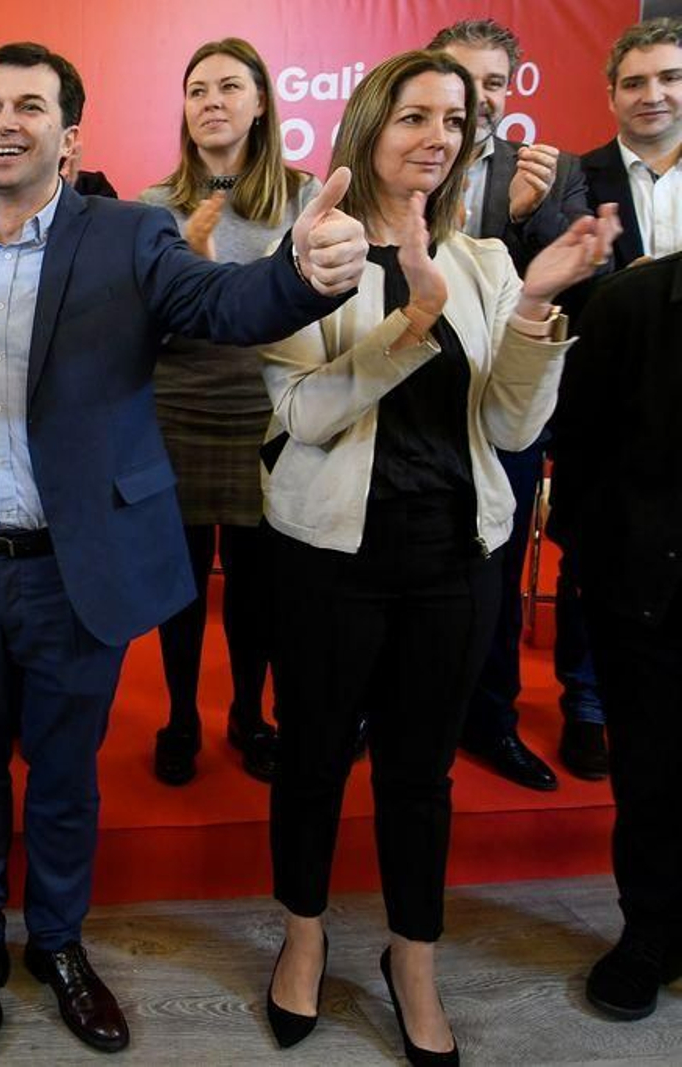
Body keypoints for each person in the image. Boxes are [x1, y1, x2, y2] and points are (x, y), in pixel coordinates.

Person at [0, 41, 368, 1054]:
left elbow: (219, 305)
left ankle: (58, 945)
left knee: (65, 775)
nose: (4, 121)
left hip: (76, 567)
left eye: (30, 105)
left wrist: (300, 270)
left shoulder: (129, 232)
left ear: (69, 134)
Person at [257, 49, 617, 1062]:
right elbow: (301, 415)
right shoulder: (309, 257)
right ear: (367, 124)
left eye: (454, 120)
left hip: (454, 559)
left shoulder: (486, 262)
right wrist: (406, 323)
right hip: (329, 556)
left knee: (419, 773)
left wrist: (538, 308)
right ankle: (303, 933)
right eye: (413, 114)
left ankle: (411, 955)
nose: (437, 136)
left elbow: (507, 425)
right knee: (316, 759)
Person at [138, 37, 319, 787]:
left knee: (257, 588)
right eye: (197, 89)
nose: (211, 100)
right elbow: (138, 325)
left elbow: (317, 305)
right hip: (176, 407)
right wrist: (187, 280)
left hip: (270, 407)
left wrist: (220, 279)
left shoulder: (305, 196)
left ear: (260, 104)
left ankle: (250, 713)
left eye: (228, 87)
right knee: (179, 584)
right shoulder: (151, 205)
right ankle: (180, 715)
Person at [430, 17, 597, 792]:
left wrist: (527, 217)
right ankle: (385, 708)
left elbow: (568, 283)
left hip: (508, 403)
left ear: (509, 89)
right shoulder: (396, 152)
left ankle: (489, 716)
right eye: (464, 78)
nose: (479, 96)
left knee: (496, 570)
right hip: (405, 396)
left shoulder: (551, 172)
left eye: (494, 82)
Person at [551, 249, 682, 1022]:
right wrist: (608, 572)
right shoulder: (631, 303)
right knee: (652, 778)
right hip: (649, 597)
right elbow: (579, 453)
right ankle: (650, 934)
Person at [580, 17, 682, 268]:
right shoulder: (574, 180)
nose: (652, 97)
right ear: (612, 98)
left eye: (670, 78)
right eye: (634, 84)